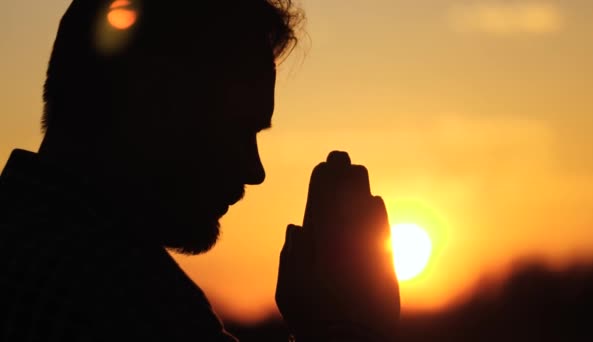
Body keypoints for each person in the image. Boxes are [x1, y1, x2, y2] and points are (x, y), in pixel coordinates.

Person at [0, 1, 400, 341]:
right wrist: (346, 326)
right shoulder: (132, 304)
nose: (253, 170)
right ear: (153, 102)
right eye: (239, 130)